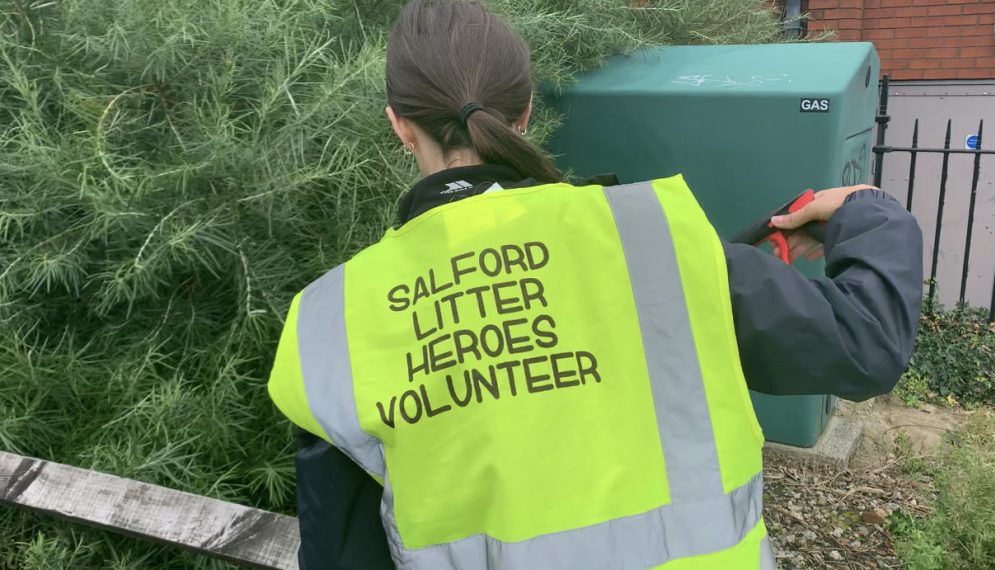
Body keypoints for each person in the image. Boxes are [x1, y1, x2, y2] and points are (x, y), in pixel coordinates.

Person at [267, 0, 924, 568]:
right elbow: (867, 343)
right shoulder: (658, 239)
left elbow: (340, 554)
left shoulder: (330, 320)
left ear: (398, 125)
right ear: (524, 114)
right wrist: (867, 212)